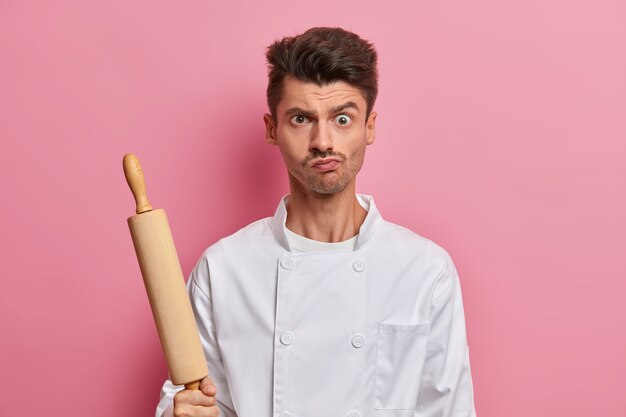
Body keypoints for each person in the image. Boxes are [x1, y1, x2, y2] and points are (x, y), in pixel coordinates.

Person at [156, 27, 476, 417]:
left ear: (369, 127)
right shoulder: (222, 270)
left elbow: (449, 410)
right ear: (272, 130)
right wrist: (179, 411)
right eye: (301, 118)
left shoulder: (426, 270)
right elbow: (193, 400)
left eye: (342, 118)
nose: (323, 141)